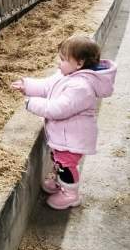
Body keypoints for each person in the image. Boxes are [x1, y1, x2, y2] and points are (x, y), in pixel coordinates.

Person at [11, 36, 117, 210]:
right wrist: (27, 86)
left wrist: (32, 103)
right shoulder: (67, 75)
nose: (58, 63)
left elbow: (57, 109)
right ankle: (60, 183)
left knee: (66, 166)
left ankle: (70, 194)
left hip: (72, 140)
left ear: (80, 63)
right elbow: (47, 86)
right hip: (65, 137)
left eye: (63, 59)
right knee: (59, 160)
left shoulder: (81, 87)